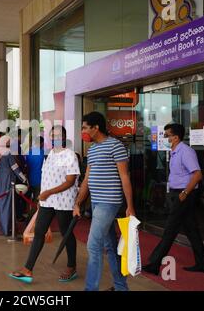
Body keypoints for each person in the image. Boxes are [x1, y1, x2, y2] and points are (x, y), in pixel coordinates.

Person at [73, 111, 135, 291]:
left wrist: (130, 206)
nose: (82, 131)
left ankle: (90, 289)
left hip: (109, 202)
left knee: (93, 246)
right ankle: (121, 287)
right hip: (96, 202)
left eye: (84, 127)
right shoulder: (92, 149)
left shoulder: (115, 146)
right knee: (109, 245)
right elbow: (86, 179)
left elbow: (125, 178)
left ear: (96, 128)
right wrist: (78, 202)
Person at [10, 125, 80, 283]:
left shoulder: (70, 155)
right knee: (39, 231)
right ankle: (27, 268)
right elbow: (46, 179)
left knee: (65, 232)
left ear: (64, 137)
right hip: (47, 200)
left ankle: (71, 266)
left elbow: (70, 181)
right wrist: (42, 197)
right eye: (52, 135)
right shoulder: (50, 155)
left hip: (63, 201)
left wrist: (48, 193)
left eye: (58, 135)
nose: (55, 138)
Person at [143, 123, 204, 275]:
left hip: (183, 194)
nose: (165, 138)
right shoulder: (174, 152)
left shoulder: (185, 152)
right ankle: (203, 264)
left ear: (176, 137)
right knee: (191, 230)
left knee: (170, 229)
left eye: (167, 135)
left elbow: (197, 174)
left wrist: (185, 193)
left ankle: (154, 264)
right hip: (177, 193)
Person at [0, 135, 28, 236]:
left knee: (1, 204)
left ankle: (4, 227)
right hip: (8, 181)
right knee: (8, 204)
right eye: (9, 141)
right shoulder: (8, 153)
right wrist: (24, 179)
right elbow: (15, 168)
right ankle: (7, 229)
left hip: (0, 180)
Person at [25, 136, 45, 203]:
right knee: (37, 199)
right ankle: (34, 213)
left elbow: (26, 166)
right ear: (42, 143)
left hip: (29, 178)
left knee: (27, 199)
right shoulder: (43, 153)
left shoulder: (28, 153)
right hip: (40, 179)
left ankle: (29, 213)